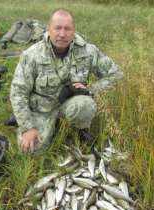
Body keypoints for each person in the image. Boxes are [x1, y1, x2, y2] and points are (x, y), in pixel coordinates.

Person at [10, 9, 123, 153]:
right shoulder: (32, 55)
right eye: (57, 28)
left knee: (85, 104)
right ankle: (29, 121)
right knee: (31, 150)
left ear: (73, 30)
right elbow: (18, 92)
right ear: (49, 29)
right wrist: (27, 127)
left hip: (71, 105)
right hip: (41, 109)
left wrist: (90, 90)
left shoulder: (88, 51)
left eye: (67, 29)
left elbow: (116, 74)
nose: (62, 34)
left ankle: (78, 129)